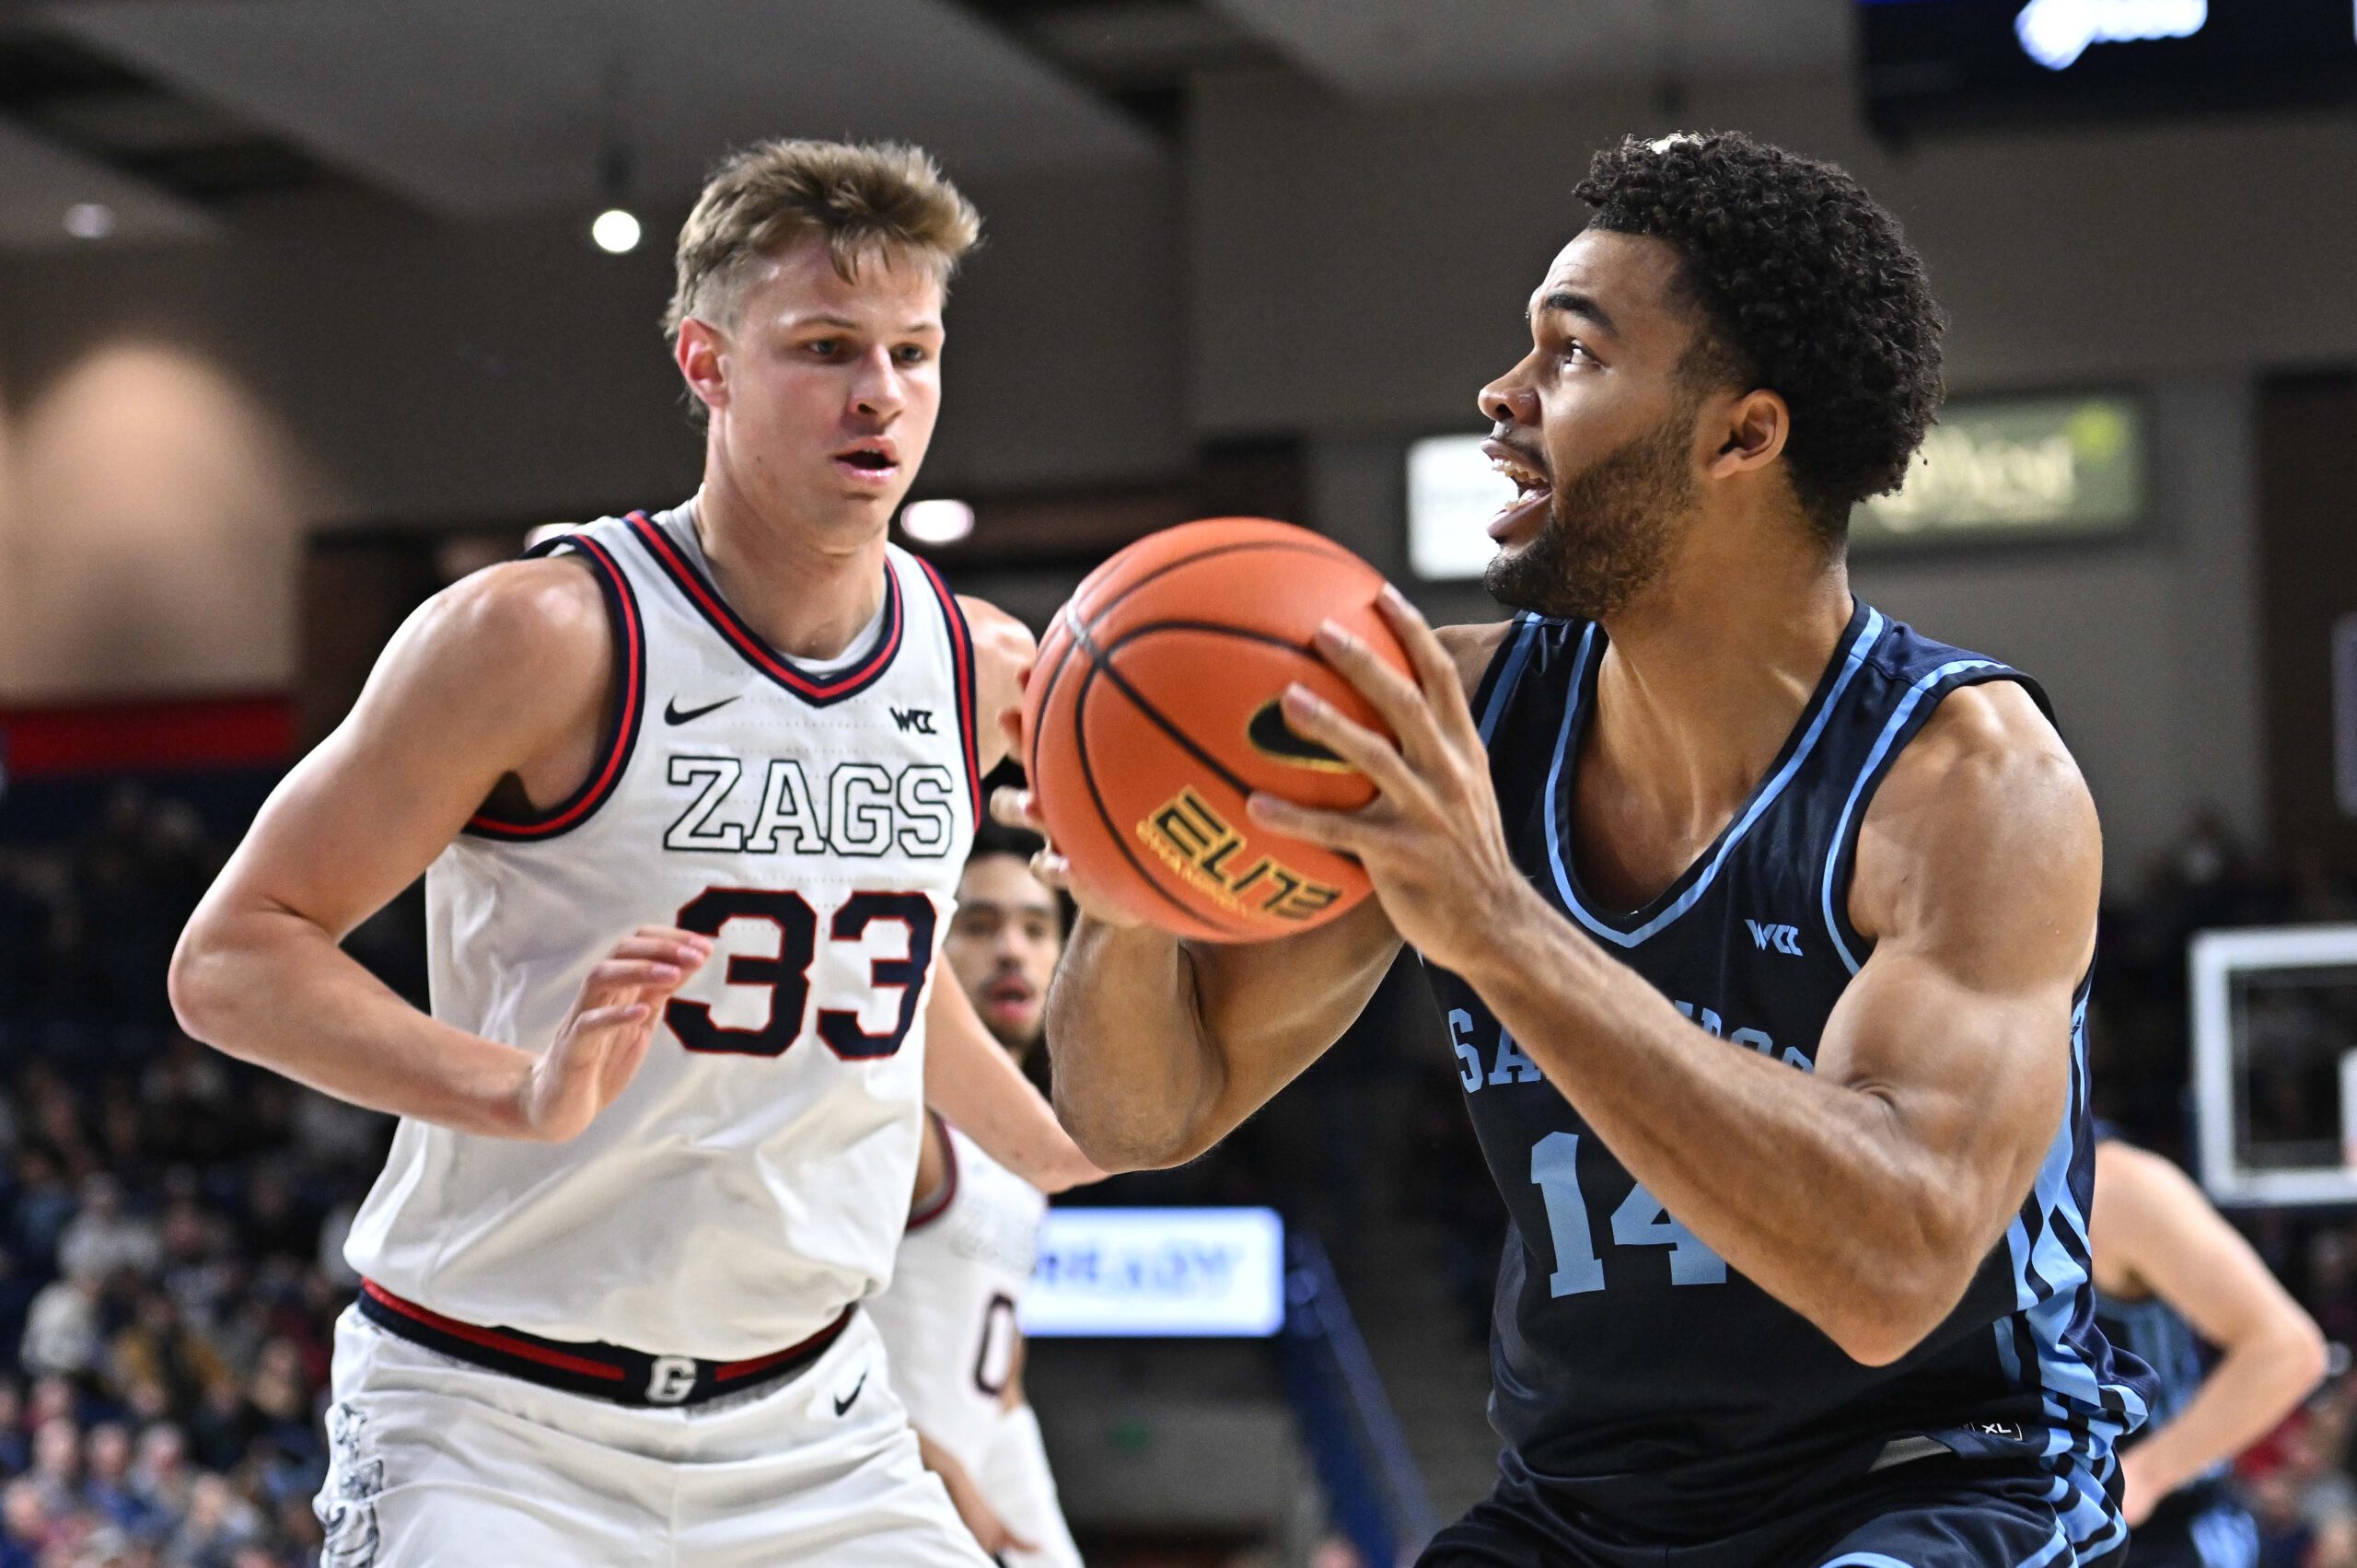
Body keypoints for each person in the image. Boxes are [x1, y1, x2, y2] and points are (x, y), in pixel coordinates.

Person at [1012, 129, 2153, 1567]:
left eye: (1572, 354)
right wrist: (1128, 879)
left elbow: (1895, 1268)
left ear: (1744, 434)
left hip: (1930, 1476)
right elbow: (1141, 1115)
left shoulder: (1969, 786)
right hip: (1584, 1506)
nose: (1502, 395)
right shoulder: (1453, 714)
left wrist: (1498, 925)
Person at [169, 137, 1095, 1567]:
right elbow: (233, 956)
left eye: (915, 351)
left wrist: (1062, 1132)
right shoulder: (541, 634)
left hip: (815, 1428)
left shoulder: (978, 667)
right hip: (497, 1421)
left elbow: (877, 971)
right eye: (826, 347)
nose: (881, 395)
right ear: (708, 363)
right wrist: (518, 1088)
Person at [867, 819, 1086, 1567]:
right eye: (980, 924)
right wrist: (939, 1466)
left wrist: (1031, 1528)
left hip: (963, 1472)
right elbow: (792, 1328)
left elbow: (1002, 1380)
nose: (1012, 950)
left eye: (1036, 927)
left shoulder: (1028, 1153)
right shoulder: (896, 1123)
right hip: (864, 1480)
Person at [2093, 1132, 2328, 1568]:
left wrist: (2143, 1477)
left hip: (2164, 1532)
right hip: (2008, 1523)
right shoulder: (1950, 1182)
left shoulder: (2115, 1186)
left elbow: (2288, 1349)